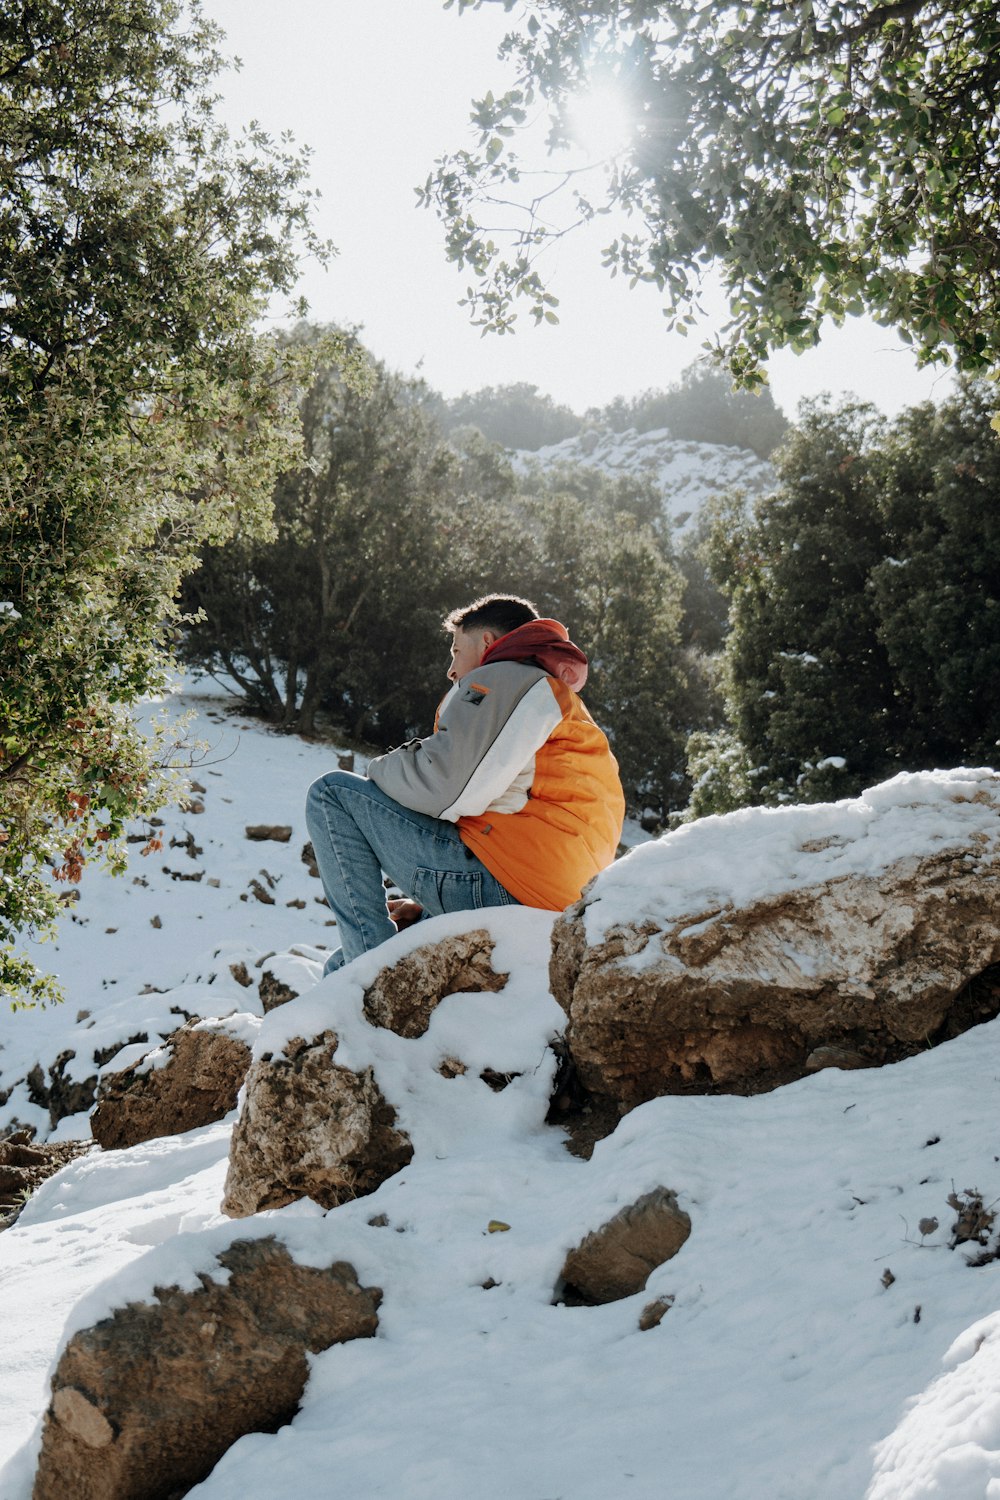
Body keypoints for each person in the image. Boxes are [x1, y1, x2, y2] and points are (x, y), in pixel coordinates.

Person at [305, 593, 625, 974]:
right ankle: (360, 974)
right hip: (545, 899)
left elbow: (448, 788)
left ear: (488, 643)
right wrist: (425, 909)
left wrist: (380, 767)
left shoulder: (510, 678)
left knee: (332, 795)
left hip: (508, 886)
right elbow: (517, 810)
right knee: (336, 965)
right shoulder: (562, 705)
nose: (451, 670)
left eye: (457, 650)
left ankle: (368, 975)